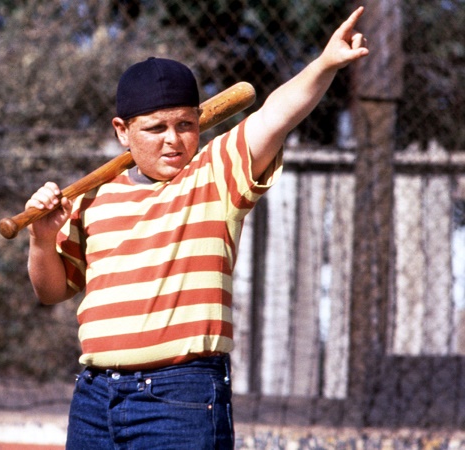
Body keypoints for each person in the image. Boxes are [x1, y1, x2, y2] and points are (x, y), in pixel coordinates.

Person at [25, 7, 368, 449]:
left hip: (180, 397)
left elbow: (276, 114)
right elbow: (51, 290)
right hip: (94, 398)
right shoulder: (93, 199)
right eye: (156, 128)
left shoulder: (216, 174)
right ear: (122, 131)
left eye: (185, 125)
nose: (173, 139)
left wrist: (325, 64)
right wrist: (41, 239)